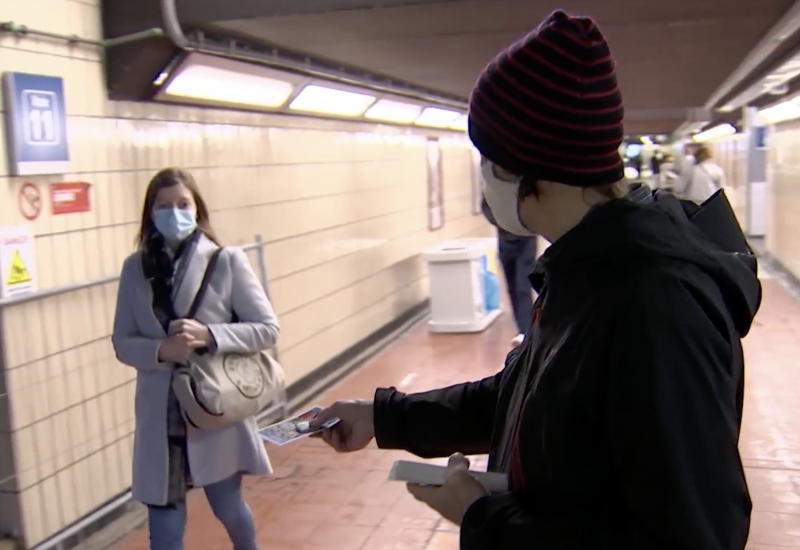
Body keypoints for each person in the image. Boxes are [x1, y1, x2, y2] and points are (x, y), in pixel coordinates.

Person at [311, 10, 760, 550]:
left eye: (490, 160)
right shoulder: (584, 270)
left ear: (537, 172)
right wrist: (384, 418)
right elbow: (527, 397)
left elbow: (692, 536)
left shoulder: (653, 302)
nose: (483, 178)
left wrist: (484, 518)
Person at [112, 168, 280, 550]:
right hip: (161, 417)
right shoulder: (134, 269)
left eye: (182, 204)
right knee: (165, 529)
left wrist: (211, 336)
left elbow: (268, 329)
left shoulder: (226, 261)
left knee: (228, 507)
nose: (174, 213)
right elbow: (122, 341)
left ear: (197, 209)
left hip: (211, 408)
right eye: (164, 206)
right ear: (149, 213)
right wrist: (159, 351)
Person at [481, 198, 537, 346]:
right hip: (505, 240)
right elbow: (485, 206)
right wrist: (502, 222)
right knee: (511, 285)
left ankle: (526, 330)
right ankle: (522, 327)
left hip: (526, 239)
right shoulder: (496, 184)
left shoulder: (525, 183)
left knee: (522, 285)